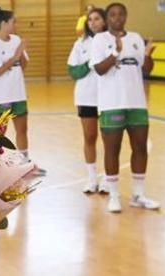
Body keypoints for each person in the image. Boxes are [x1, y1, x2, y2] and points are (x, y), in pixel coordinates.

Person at [90, 2, 160, 212]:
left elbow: (146, 70)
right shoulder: (100, 40)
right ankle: (113, 195)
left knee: (140, 148)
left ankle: (138, 195)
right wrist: (115, 54)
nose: (117, 18)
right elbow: (99, 70)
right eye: (112, 15)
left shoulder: (136, 38)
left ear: (126, 17)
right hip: (112, 104)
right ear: (108, 18)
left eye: (121, 14)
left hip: (137, 103)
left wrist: (147, 55)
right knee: (113, 149)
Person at [0, 6, 44, 174]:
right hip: (0, 96)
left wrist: (22, 54)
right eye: (13, 21)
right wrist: (16, 54)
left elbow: (23, 66)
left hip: (18, 92)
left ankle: (25, 164)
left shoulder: (16, 40)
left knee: (22, 129)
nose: (16, 24)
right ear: (4, 23)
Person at [68, 8, 107, 194]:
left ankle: (108, 178)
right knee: (89, 137)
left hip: (109, 96)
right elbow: (73, 71)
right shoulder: (80, 44)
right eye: (90, 19)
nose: (93, 22)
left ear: (104, 21)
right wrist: (89, 63)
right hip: (86, 96)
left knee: (110, 140)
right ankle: (92, 179)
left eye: (97, 18)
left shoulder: (112, 41)